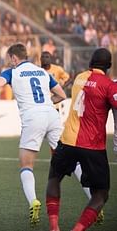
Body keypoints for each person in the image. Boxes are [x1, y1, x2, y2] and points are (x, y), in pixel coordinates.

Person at [0, 43, 67, 226]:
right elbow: (62, 95)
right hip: (52, 115)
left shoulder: (12, 72)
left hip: (33, 118)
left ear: (13, 58)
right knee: (71, 159)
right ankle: (94, 201)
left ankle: (33, 201)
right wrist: (45, 103)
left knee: (26, 164)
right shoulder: (42, 72)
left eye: (7, 59)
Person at [46, 48, 117, 231]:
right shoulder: (109, 85)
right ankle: (77, 229)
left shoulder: (79, 77)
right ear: (109, 66)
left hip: (67, 140)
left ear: (90, 62)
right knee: (101, 194)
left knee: (54, 178)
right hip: (92, 146)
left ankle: (54, 227)